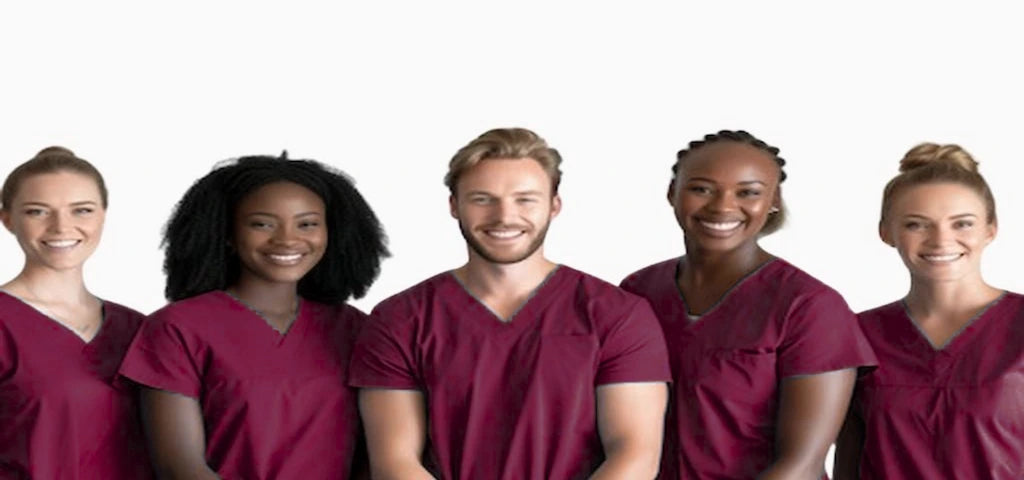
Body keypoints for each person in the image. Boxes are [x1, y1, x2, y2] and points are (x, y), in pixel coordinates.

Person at [349, 127, 671, 479]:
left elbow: (633, 455)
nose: (504, 216)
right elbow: (395, 462)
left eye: (525, 199)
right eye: (482, 199)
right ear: (454, 205)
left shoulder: (618, 315)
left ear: (554, 206)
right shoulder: (400, 318)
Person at [620, 130, 877, 479]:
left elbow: (802, 465)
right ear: (672, 193)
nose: (722, 206)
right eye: (701, 188)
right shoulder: (638, 291)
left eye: (748, 192)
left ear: (773, 200)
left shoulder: (809, 307)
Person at [118, 153, 388, 479]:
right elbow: (181, 467)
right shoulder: (177, 328)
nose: (287, 239)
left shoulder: (357, 329)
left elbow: (378, 454)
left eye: (308, 224)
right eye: (262, 224)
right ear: (228, 233)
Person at [833, 144, 1023, 479]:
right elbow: (848, 459)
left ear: (990, 230)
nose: (941, 240)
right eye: (916, 225)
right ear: (886, 232)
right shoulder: (856, 334)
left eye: (962, 224)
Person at [0, 147, 154, 479]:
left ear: (103, 215)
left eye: (81, 210)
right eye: (38, 212)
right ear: (8, 219)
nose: (61, 226)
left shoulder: (137, 328)